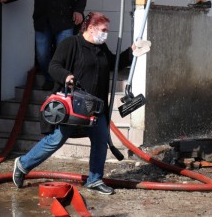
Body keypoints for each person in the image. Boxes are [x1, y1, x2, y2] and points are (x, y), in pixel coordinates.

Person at [12, 12, 135, 195]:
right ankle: (22, 165)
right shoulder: (71, 44)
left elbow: (112, 64)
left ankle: (94, 179)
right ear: (91, 28)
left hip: (95, 107)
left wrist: (132, 52)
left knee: (100, 140)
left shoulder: (101, 48)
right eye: (103, 30)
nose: (106, 34)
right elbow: (54, 66)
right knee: (56, 140)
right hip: (74, 107)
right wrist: (66, 76)